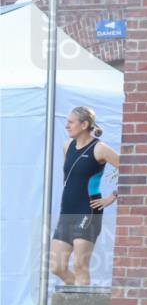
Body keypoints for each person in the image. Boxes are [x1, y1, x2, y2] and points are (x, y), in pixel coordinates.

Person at [50, 106, 119, 287]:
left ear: (84, 124)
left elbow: (128, 169)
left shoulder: (100, 148)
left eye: (71, 122)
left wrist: (112, 196)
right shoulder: (67, 147)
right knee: (57, 267)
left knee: (81, 265)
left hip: (88, 211)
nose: (67, 126)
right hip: (67, 211)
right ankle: (83, 295)